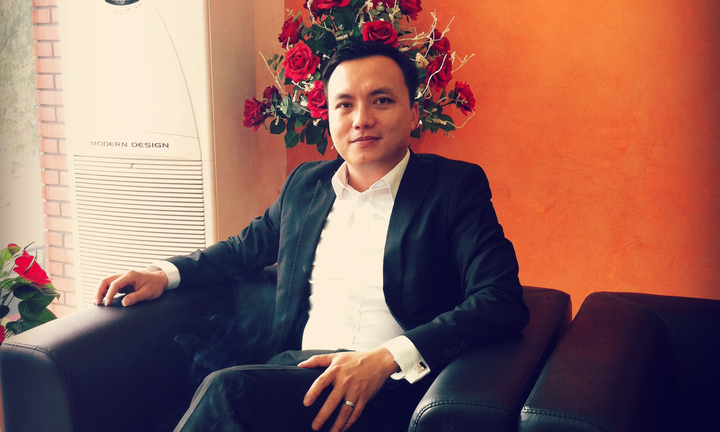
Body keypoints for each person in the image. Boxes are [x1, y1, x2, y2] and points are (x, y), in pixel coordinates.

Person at [95, 41, 530, 432]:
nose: (361, 120)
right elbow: (242, 251)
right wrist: (163, 273)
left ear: (413, 112)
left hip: (393, 383)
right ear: (329, 118)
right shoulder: (306, 185)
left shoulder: (453, 188)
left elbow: (500, 298)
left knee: (229, 391)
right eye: (344, 105)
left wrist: (386, 358)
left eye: (381, 100)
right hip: (299, 374)